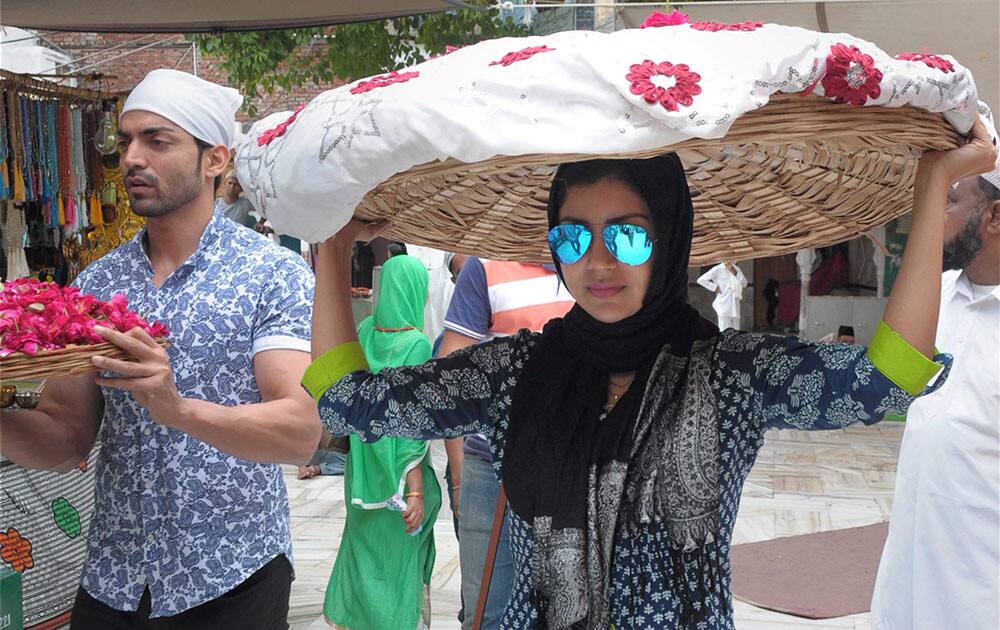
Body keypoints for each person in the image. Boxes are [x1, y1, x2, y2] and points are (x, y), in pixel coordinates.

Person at [304, 120, 995, 628]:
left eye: (629, 235)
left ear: (670, 241)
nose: (598, 261)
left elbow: (890, 378)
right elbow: (346, 403)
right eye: (573, 237)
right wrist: (332, 250)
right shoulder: (514, 373)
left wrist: (934, 186)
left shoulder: (729, 375)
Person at [1, 69, 320, 629]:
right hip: (115, 578)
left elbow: (300, 433)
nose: (131, 158)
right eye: (125, 141)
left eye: (158, 140)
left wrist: (178, 409)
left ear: (215, 159)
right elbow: (65, 440)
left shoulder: (272, 274)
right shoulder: (96, 288)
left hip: (232, 577)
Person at [871, 165, 1000, 630]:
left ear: (995, 217)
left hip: (980, 594)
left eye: (948, 201)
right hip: (908, 578)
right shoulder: (936, 297)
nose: (929, 217)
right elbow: (878, 383)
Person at [438, 257, 574, 629]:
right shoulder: (484, 269)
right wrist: (459, 478)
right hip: (490, 468)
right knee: (486, 610)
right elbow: (451, 379)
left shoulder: (594, 265)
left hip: (572, 469)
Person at [321, 254, 442, 630]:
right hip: (400, 479)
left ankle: (354, 620)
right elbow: (411, 426)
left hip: (362, 471)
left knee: (364, 551)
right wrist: (417, 492)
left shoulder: (366, 330)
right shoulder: (417, 345)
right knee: (399, 559)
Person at [697, 261, 748, 330]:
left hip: (735, 305)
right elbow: (701, 280)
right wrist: (715, 287)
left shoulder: (736, 269)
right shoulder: (718, 269)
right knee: (724, 330)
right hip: (723, 304)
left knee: (736, 331)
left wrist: (735, 273)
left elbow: (744, 283)